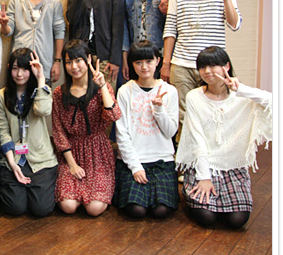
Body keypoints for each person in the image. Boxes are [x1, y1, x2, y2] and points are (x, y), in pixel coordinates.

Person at [175, 46, 271, 229]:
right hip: (203, 164)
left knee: (237, 220)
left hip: (232, 167)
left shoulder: (241, 96)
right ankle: (190, 192)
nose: (207, 71)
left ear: (226, 66)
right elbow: (197, 140)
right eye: (202, 67)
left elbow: (273, 103)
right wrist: (204, 177)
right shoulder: (194, 96)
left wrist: (241, 89)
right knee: (206, 218)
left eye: (213, 65)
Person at [162, 0, 241, 143]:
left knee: (214, 110)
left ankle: (212, 154)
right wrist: (166, 63)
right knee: (182, 114)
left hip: (213, 65)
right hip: (182, 63)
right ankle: (185, 158)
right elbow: (170, 29)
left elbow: (235, 24)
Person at [52, 39, 121, 217]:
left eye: (78, 60)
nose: (74, 67)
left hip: (98, 152)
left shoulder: (101, 89)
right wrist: (72, 165)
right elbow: (58, 131)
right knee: (68, 206)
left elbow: (114, 115)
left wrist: (102, 85)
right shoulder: (59, 93)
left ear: (88, 59)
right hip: (71, 153)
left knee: (94, 208)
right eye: (69, 62)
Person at [113, 40, 179, 219]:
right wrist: (135, 167)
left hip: (162, 161)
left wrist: (159, 109)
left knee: (161, 211)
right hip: (132, 160)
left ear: (158, 61)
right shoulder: (125, 91)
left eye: (149, 61)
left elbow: (170, 132)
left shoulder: (169, 91)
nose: (144, 67)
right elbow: (121, 133)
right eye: (138, 62)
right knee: (136, 210)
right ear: (132, 64)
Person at [0, 48, 58, 217]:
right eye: (15, 68)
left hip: (40, 159)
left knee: (41, 209)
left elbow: (43, 110)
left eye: (24, 69)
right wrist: (12, 163)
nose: (19, 74)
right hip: (14, 157)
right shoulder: (1, 96)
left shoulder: (42, 90)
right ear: (9, 68)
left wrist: (41, 78)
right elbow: (3, 131)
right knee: (15, 208)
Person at [0, 0, 65, 85]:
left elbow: (59, 32)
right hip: (20, 65)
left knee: (42, 96)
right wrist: (4, 24)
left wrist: (57, 61)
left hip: (44, 63)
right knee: (18, 97)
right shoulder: (16, 0)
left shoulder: (54, 2)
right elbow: (8, 32)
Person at [66, 0, 124, 92]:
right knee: (82, 95)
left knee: (106, 96)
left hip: (105, 57)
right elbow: (72, 20)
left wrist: (115, 60)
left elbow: (118, 28)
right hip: (81, 56)